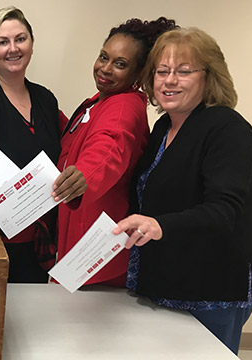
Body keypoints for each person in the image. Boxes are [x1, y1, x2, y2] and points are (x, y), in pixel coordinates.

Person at [113, 28, 252, 354]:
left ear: (210, 77)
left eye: (184, 71)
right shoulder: (164, 126)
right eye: (162, 72)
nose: (169, 80)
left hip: (210, 291)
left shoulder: (228, 129)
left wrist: (160, 225)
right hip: (164, 284)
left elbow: (224, 210)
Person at [0, 6, 85, 283]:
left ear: (31, 44)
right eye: (2, 42)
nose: (13, 48)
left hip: (39, 240)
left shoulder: (45, 99)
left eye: (20, 39)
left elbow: (71, 142)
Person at [56, 18, 177, 287]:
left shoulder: (123, 106)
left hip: (97, 255)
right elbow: (77, 138)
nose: (105, 69)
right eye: (103, 57)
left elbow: (109, 148)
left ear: (139, 73)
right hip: (77, 239)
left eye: (120, 64)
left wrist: (86, 174)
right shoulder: (98, 102)